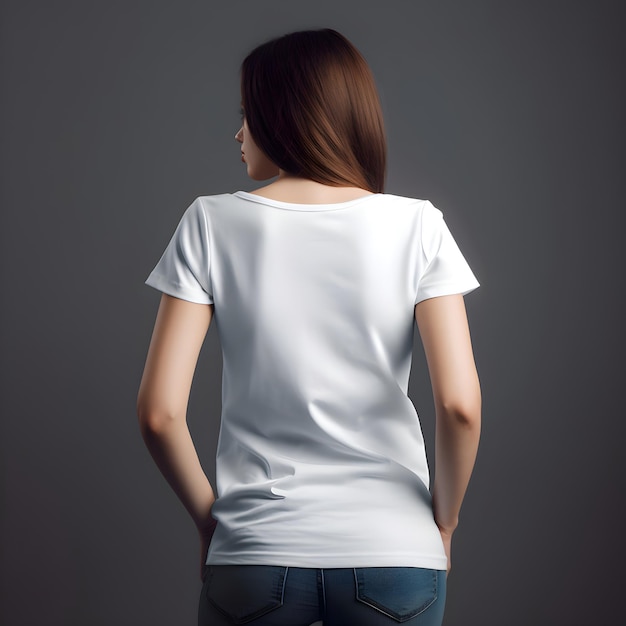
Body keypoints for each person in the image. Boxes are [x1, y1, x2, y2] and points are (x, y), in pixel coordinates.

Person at [137, 28, 481, 626]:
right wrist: (444, 521)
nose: (238, 133)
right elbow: (460, 406)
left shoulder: (210, 223)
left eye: (248, 114)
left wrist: (209, 520)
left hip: (255, 551)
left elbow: (160, 412)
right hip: (395, 550)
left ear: (288, 115)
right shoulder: (418, 226)